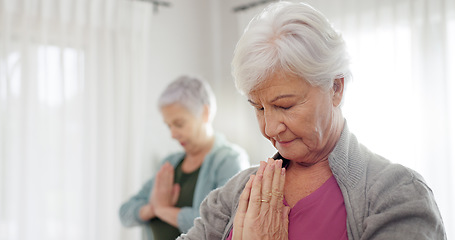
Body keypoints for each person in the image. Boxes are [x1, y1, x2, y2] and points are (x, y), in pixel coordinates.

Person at [177, 2, 446, 240]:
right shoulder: (236, 192)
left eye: (285, 105)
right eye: (258, 108)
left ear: (336, 88)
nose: (269, 128)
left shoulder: (397, 195)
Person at [119, 75, 250, 240]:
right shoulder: (170, 164)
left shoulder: (229, 161)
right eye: (169, 126)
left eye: (179, 124)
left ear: (205, 113)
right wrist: (153, 208)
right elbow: (125, 213)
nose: (173, 134)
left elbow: (222, 226)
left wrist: (162, 210)